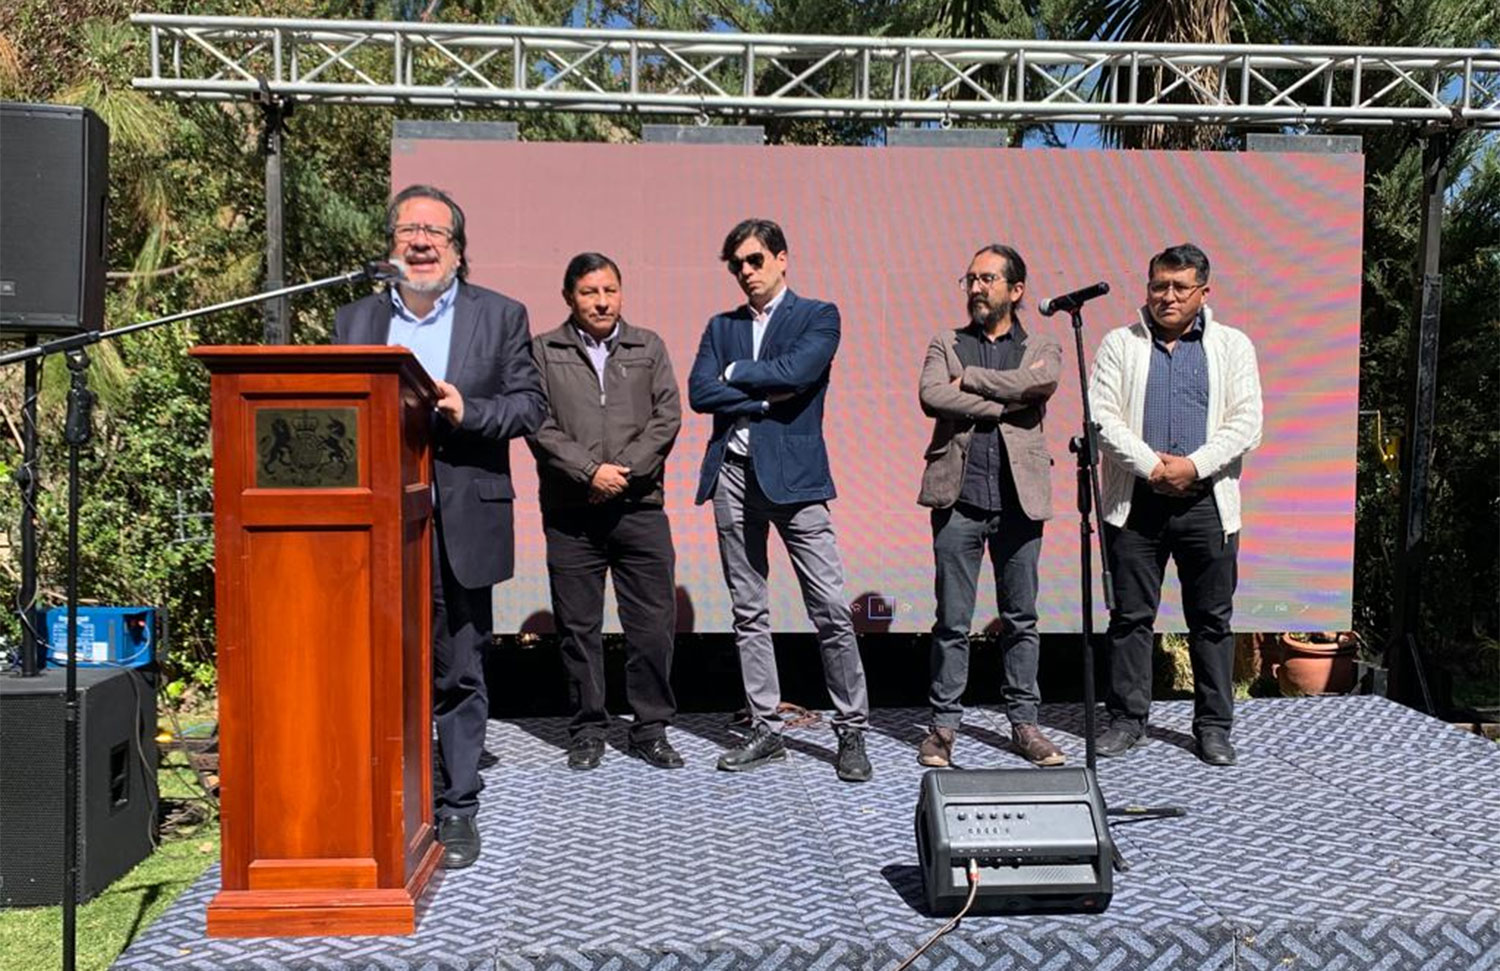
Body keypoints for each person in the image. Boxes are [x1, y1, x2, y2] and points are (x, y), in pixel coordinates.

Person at [334, 184, 545, 868]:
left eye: (434, 232)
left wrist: (467, 410)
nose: (420, 242)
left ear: (458, 249)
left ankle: (456, 806)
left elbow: (529, 406)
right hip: (375, 524)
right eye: (408, 230)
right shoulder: (354, 319)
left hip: (462, 520)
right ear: (390, 243)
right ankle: (384, 796)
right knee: (378, 666)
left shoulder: (500, 315)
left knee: (459, 668)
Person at [687, 218, 872, 783]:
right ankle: (766, 728)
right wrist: (764, 400)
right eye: (737, 265)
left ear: (781, 258)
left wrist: (736, 374)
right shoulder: (721, 325)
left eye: (755, 260)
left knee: (830, 608)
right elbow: (699, 392)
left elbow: (799, 371)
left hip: (797, 480)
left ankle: (851, 729)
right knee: (749, 610)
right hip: (732, 476)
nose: (746, 272)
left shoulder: (818, 315)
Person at [1088, 242, 1263, 767]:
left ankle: (1213, 727)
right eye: (1158, 286)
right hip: (1136, 503)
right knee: (1130, 618)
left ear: (1203, 292)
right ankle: (1127, 720)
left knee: (1211, 621)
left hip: (1207, 503)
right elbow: (1102, 418)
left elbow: (1247, 423)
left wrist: (1193, 466)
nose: (1167, 296)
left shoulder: (1232, 345)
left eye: (1179, 287)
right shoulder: (1120, 343)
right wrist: (1154, 467)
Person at [526, 252, 684, 772]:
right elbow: (537, 423)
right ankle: (588, 729)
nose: (601, 301)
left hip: (640, 507)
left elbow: (667, 417)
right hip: (572, 512)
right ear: (569, 297)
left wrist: (622, 474)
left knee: (653, 625)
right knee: (578, 628)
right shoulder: (543, 350)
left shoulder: (648, 345)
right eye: (590, 292)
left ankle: (651, 728)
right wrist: (590, 472)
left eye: (610, 290)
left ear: (621, 293)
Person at [915, 244, 1064, 768]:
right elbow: (933, 395)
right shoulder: (946, 342)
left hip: (1020, 501)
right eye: (971, 279)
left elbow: (1039, 383)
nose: (976, 288)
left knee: (1020, 619)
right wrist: (1007, 404)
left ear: (1016, 290)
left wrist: (974, 381)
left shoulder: (1042, 344)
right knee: (952, 622)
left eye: (987, 279)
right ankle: (942, 728)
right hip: (958, 499)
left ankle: (1025, 725)